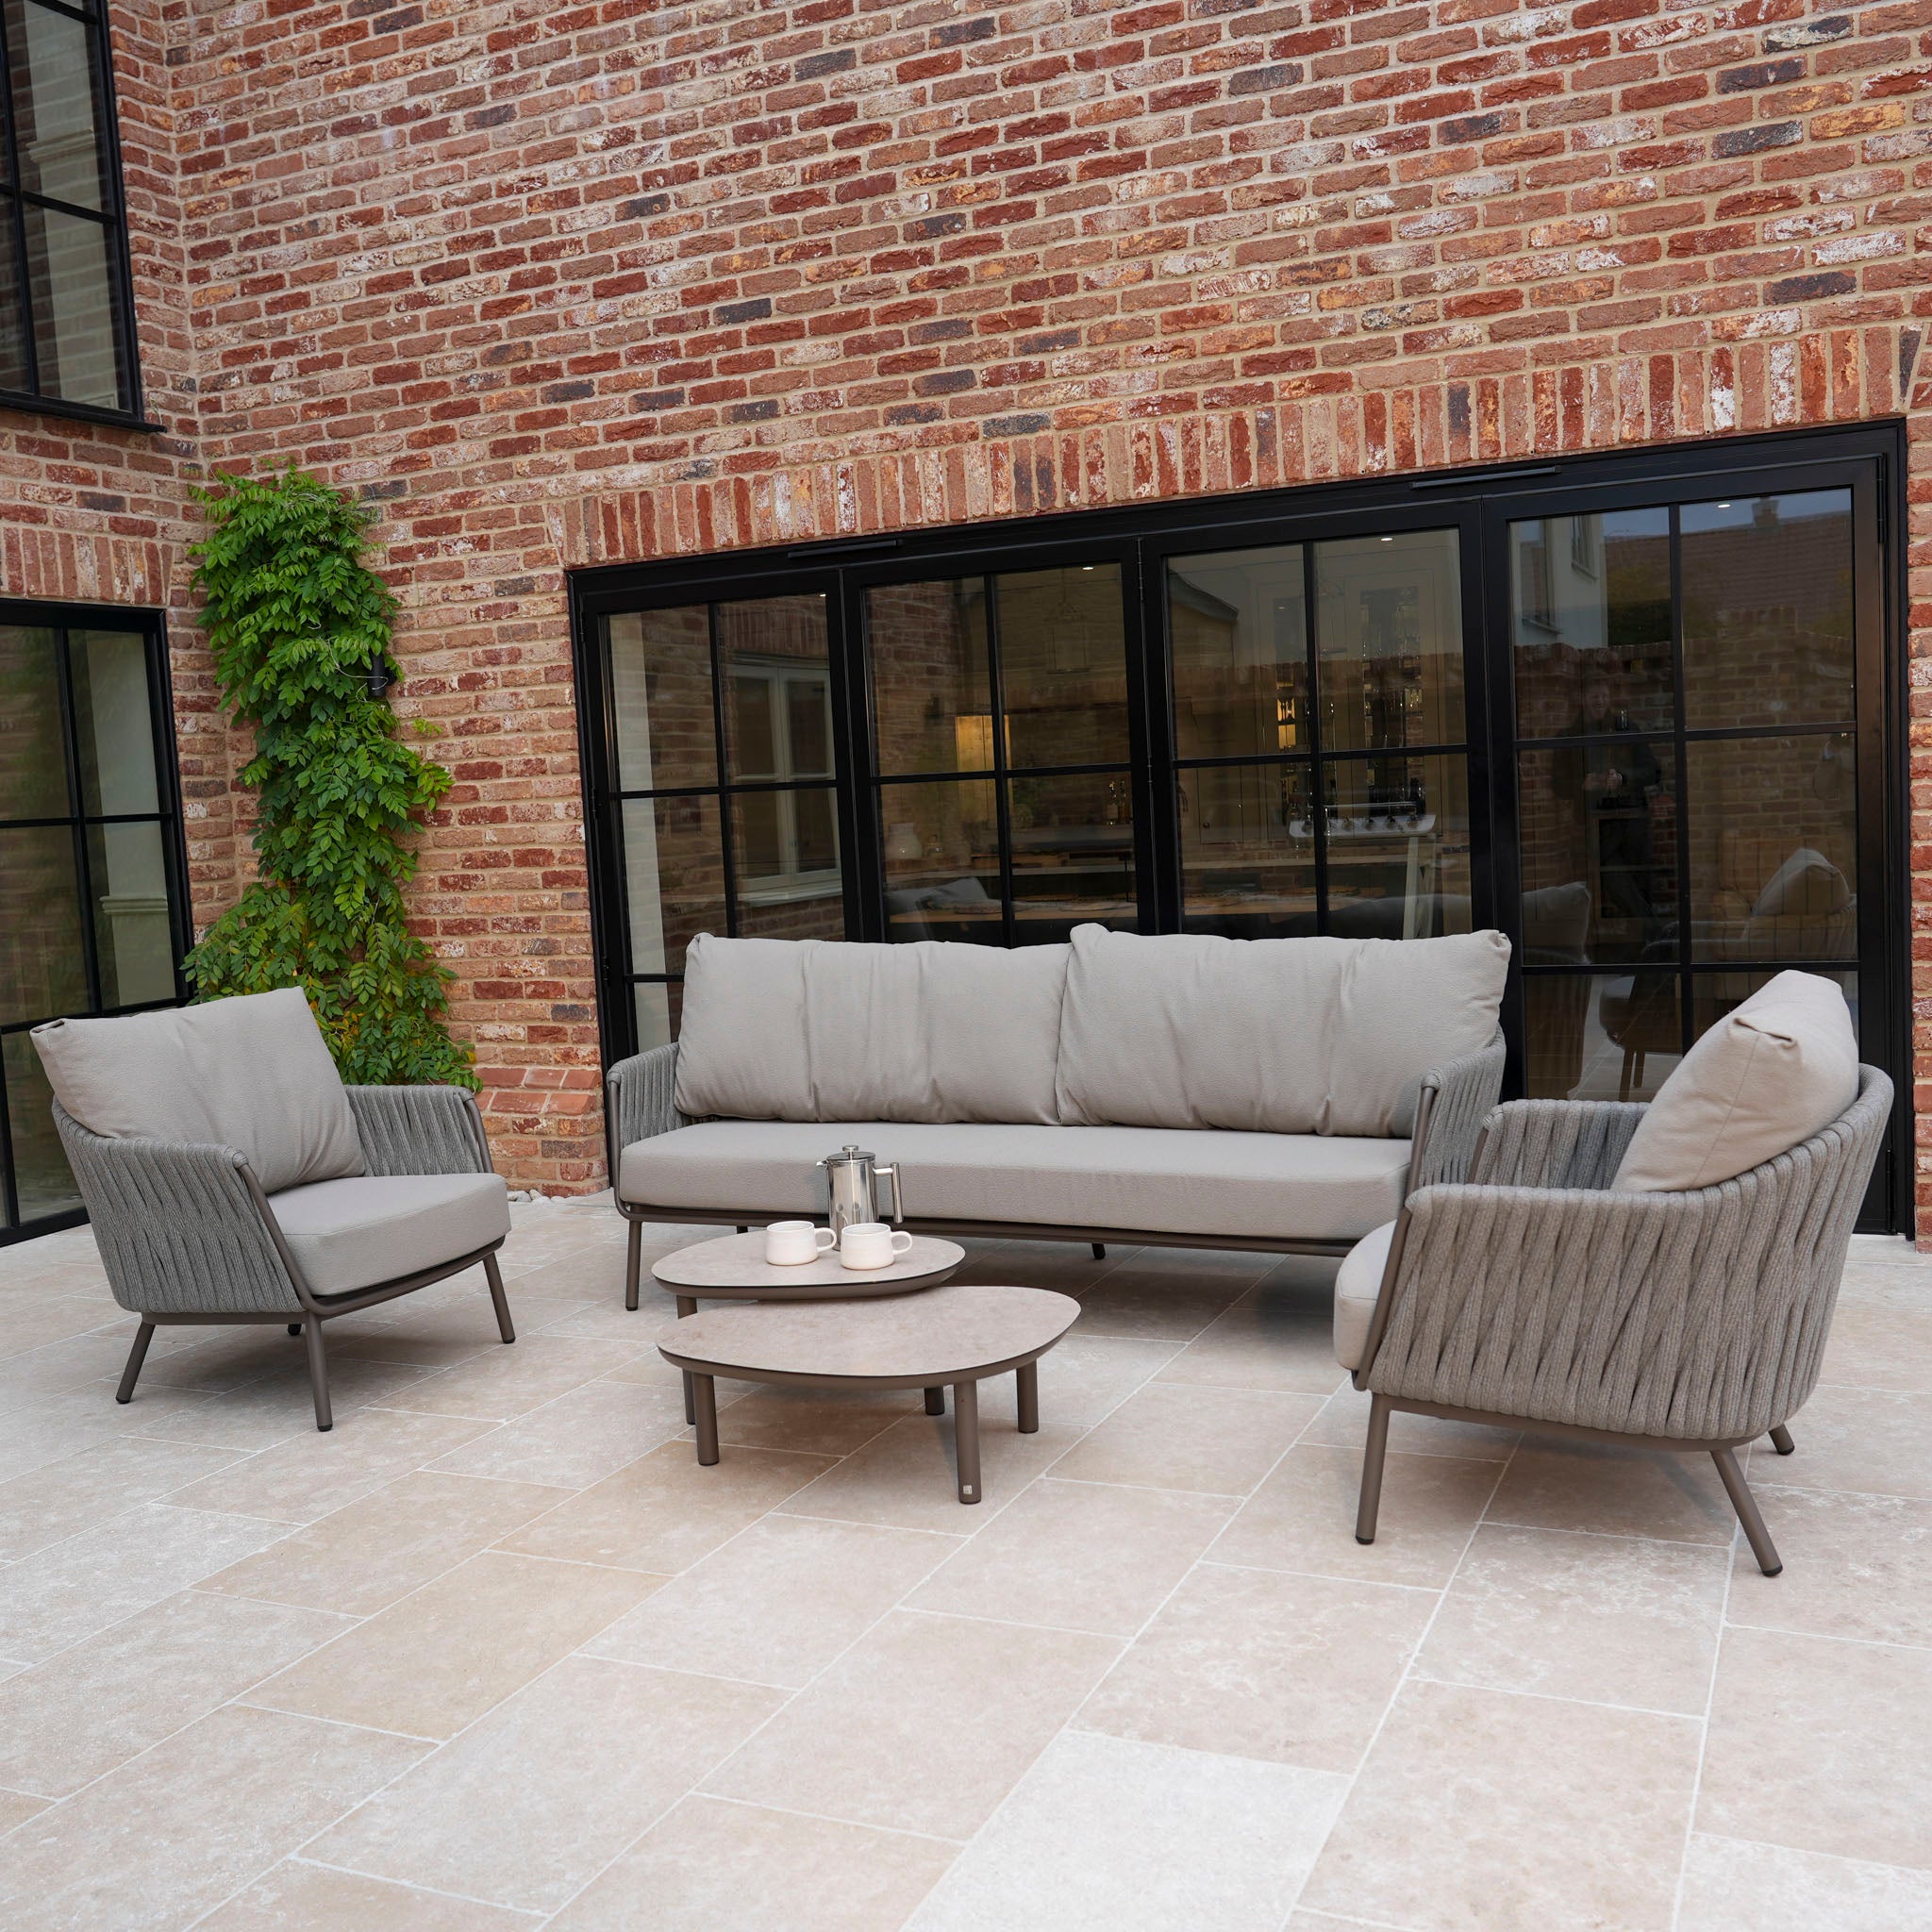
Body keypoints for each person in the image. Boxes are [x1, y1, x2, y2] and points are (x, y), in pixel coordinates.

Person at [1550, 668, 1664, 957]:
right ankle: (1655, 935)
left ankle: (1648, 947)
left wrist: (1622, 778)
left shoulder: (1628, 729)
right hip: (1596, 826)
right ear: (1582, 699)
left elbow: (1653, 772)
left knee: (1639, 882)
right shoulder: (1569, 735)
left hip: (1633, 821)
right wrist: (1582, 784)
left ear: (1609, 697)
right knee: (1611, 877)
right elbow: (1557, 783)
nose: (1599, 700)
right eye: (1593, 695)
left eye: (1603, 695)